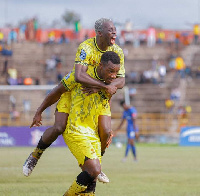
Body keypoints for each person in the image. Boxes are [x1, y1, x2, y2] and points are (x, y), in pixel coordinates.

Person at [23, 18, 125, 177]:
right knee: (59, 128)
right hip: (76, 92)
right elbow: (78, 76)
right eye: (110, 29)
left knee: (105, 131)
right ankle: (35, 155)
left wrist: (105, 87)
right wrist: (39, 112)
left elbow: (122, 79)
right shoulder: (86, 47)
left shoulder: (117, 51)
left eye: (114, 29)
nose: (114, 32)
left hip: (96, 94)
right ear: (99, 33)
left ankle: (97, 163)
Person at [63, 51, 121, 195]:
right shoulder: (81, 75)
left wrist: (101, 87)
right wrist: (40, 111)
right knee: (94, 170)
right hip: (76, 129)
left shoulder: (109, 85)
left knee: (92, 178)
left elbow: (108, 102)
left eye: (116, 72)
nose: (114, 76)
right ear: (100, 66)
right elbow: (58, 90)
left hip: (93, 133)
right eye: (111, 71)